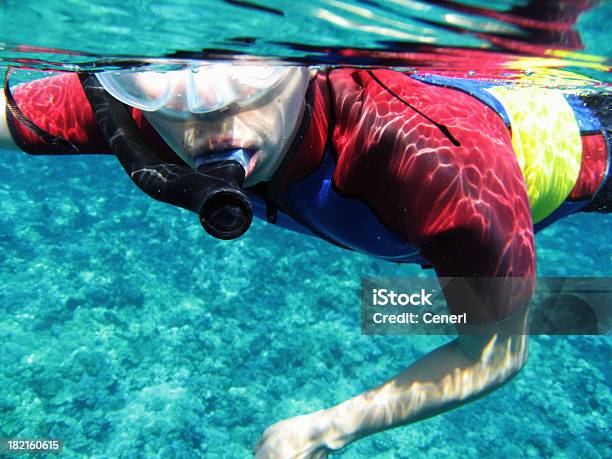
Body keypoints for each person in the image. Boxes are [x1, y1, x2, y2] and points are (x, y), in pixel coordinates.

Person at [1, 61, 610, 458]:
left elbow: (497, 354)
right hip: (440, 223)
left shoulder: (431, 159)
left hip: (590, 154)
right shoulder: (141, 109)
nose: (207, 106)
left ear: (308, 63)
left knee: (486, 315)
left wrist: (329, 428)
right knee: (426, 303)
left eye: (244, 63)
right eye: (160, 72)